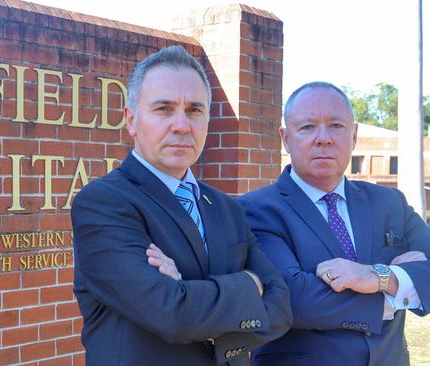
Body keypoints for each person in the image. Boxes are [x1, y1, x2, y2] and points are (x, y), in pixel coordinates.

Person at [71, 45, 292, 366]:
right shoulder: (104, 204)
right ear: (131, 120)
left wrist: (189, 293)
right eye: (164, 109)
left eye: (194, 110)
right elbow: (171, 314)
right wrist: (249, 285)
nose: (181, 125)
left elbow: (281, 307)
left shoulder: (226, 208)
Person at [237, 81, 430, 366]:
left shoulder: (390, 203)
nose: (323, 138)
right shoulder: (255, 210)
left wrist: (378, 277)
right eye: (307, 127)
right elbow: (292, 299)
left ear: (353, 135)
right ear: (286, 138)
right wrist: (396, 289)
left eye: (336, 126)